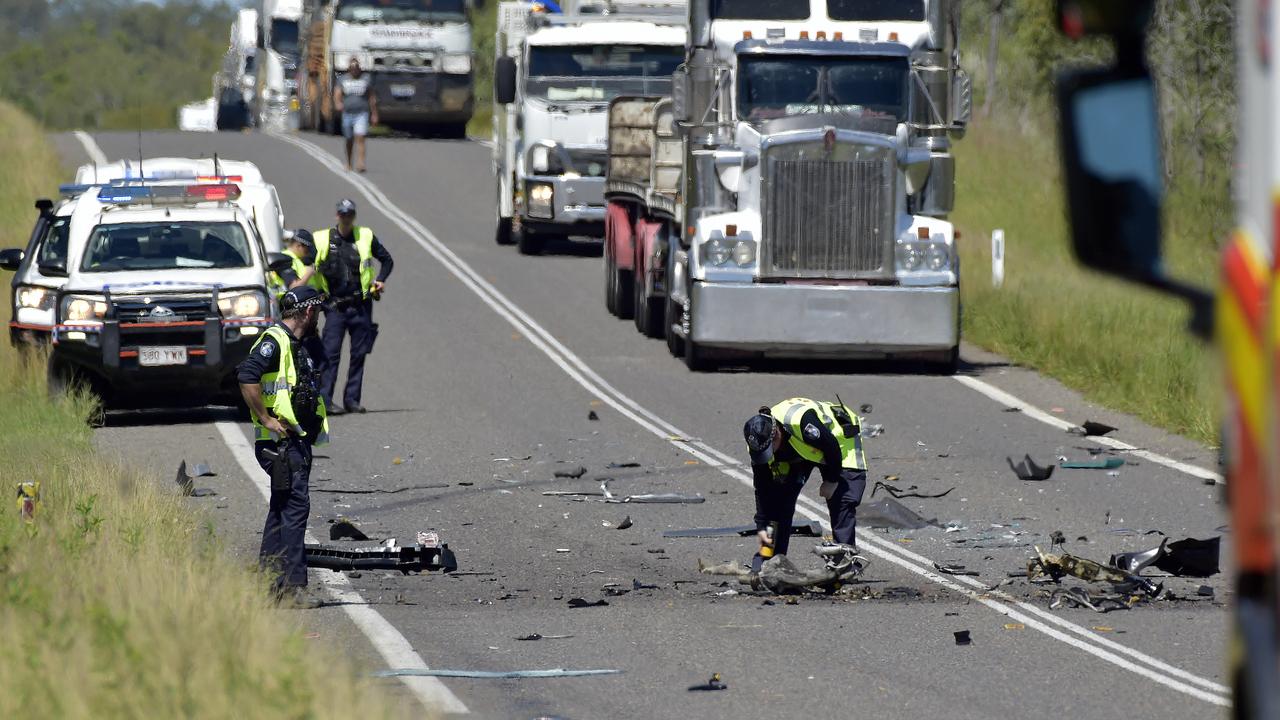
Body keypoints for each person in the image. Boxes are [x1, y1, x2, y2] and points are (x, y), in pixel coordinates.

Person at [237, 286, 330, 608]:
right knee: (294, 511)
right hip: (281, 444)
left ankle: (270, 585)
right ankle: (291, 591)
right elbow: (247, 376)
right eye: (316, 310)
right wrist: (266, 418)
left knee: (280, 511)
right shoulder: (275, 342)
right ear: (307, 312)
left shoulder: (296, 344)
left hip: (292, 442)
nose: (319, 316)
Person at [743, 397, 868, 573]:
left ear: (776, 433)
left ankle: (845, 562)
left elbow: (831, 447)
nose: (767, 454)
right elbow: (763, 495)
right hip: (798, 448)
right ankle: (771, 559)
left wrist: (831, 481)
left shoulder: (803, 423)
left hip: (838, 441)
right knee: (776, 505)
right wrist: (763, 534)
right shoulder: (758, 445)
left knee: (842, 500)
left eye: (770, 449)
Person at [313, 198, 393, 414]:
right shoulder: (321, 239)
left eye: (350, 215)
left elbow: (387, 260)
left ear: (354, 216)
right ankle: (325, 399)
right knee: (330, 354)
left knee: (359, 354)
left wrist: (381, 279)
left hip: (361, 306)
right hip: (335, 307)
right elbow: (306, 264)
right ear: (337, 216)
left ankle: (352, 400)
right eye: (343, 214)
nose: (346, 218)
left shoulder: (365, 236)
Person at [333, 58, 378, 172]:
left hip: (361, 113)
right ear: (349, 68)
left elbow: (371, 97)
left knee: (360, 137)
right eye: (352, 68)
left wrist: (374, 113)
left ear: (359, 68)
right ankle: (348, 163)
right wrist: (338, 103)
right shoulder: (343, 79)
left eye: (356, 67)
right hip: (347, 113)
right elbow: (337, 93)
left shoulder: (366, 79)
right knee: (349, 139)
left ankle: (361, 163)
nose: (354, 70)